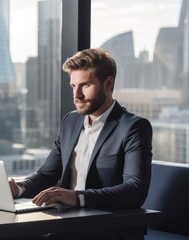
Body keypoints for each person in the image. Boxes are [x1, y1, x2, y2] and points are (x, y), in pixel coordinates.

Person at [9, 48, 153, 240]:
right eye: (73, 86)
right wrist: (19, 188)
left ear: (108, 83)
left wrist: (77, 197)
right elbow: (47, 174)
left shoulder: (134, 127)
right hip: (67, 221)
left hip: (111, 228)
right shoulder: (71, 122)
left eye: (85, 85)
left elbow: (135, 190)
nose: (77, 95)